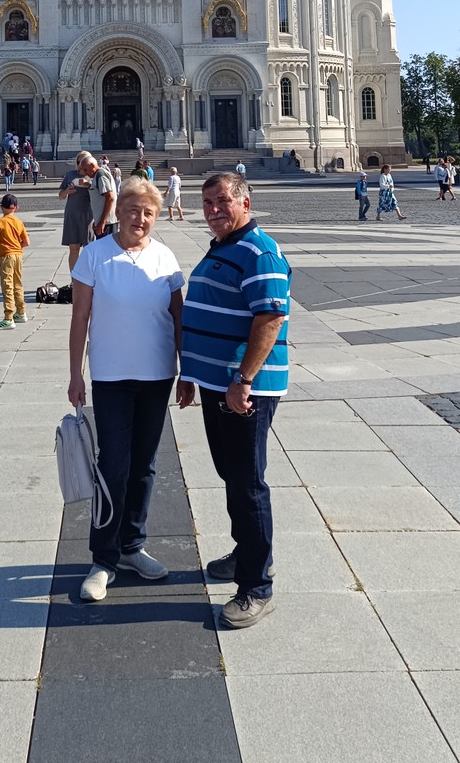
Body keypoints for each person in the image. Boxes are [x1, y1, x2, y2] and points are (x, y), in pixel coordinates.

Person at [68, 177, 188, 603]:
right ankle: (103, 558)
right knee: (112, 464)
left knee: (146, 465)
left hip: (157, 377)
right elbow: (79, 317)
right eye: (133, 210)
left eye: (148, 213)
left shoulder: (165, 258)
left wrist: (186, 372)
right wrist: (75, 374)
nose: (140, 218)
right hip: (111, 377)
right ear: (118, 211)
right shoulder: (96, 256)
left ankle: (133, 546)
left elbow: (178, 320)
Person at [179, 172, 290, 629]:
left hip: (242, 388)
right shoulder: (225, 245)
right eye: (206, 202)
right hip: (214, 382)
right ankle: (246, 552)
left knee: (246, 481)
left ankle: (256, 586)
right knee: (232, 472)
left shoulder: (259, 250)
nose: (213, 209)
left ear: (245, 201)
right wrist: (190, 373)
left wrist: (244, 378)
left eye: (222, 201)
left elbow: (270, 317)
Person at [0, 192, 30, 330]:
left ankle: (8, 317)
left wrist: (1, 249)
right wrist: (16, 247)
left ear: (1, 207)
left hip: (6, 256)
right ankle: (21, 312)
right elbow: (26, 242)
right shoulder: (19, 222)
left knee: (7, 286)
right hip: (18, 255)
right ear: (16, 208)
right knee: (18, 284)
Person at [59, 152, 98, 270]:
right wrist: (66, 191)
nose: (81, 165)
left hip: (88, 214)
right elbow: (61, 195)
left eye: (84, 162)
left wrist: (88, 185)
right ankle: (74, 278)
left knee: (88, 247)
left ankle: (88, 277)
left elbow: (101, 194)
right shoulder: (70, 175)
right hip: (72, 213)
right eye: (79, 162)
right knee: (73, 248)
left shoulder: (93, 176)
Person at [90, 155, 116, 239]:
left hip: (106, 224)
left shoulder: (100, 175)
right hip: (104, 222)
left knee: (107, 250)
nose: (85, 173)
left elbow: (110, 198)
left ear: (92, 165)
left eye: (86, 169)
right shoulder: (97, 175)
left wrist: (102, 222)